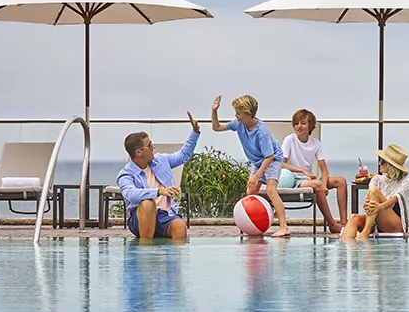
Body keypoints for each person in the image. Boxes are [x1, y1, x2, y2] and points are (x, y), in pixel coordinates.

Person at [211, 94, 290, 238]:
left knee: (271, 190)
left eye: (238, 114)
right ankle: (256, 225)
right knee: (250, 192)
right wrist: (214, 110)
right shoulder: (239, 123)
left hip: (272, 159)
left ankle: (284, 227)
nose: (236, 116)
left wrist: (257, 176)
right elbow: (216, 127)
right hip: (259, 161)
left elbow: (269, 156)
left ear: (248, 114)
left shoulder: (262, 132)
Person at [117, 112, 201, 241]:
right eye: (149, 146)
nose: (153, 147)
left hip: (165, 215)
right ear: (138, 152)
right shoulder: (126, 174)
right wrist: (159, 191)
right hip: (140, 217)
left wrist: (195, 132)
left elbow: (183, 155)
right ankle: (146, 253)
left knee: (180, 226)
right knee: (148, 204)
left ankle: (171, 259)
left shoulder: (161, 160)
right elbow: (130, 194)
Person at [278, 108, 345, 234]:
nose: (299, 126)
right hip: (294, 179)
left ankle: (344, 223)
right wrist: (302, 170)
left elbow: (324, 170)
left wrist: (324, 185)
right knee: (317, 184)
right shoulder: (290, 140)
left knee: (340, 181)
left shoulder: (316, 143)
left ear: (310, 126)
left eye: (303, 123)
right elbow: (282, 164)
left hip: (308, 179)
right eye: (296, 123)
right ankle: (332, 224)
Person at [341, 144, 409, 240]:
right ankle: (346, 250)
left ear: (390, 165)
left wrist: (379, 207)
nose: (379, 163)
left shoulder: (407, 180)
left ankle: (365, 232)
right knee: (354, 218)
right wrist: (366, 204)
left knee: (375, 191)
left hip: (396, 224)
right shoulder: (377, 179)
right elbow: (370, 197)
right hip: (377, 223)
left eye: (382, 161)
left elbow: (395, 199)